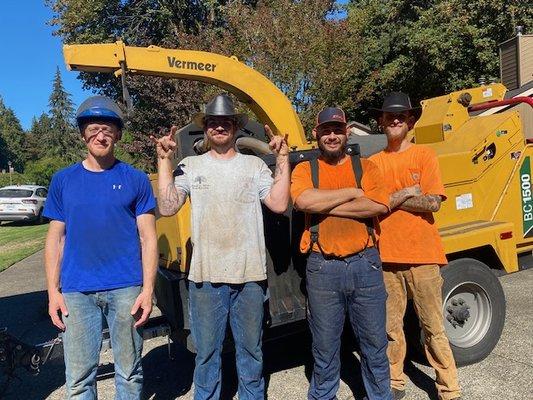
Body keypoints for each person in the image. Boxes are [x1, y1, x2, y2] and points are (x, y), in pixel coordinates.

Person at [151, 93, 290, 400]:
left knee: (251, 353)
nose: (219, 128)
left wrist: (282, 159)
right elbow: (168, 205)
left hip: (249, 279)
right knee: (206, 355)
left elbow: (279, 203)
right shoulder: (191, 165)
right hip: (206, 280)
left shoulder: (254, 166)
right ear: (207, 128)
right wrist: (163, 160)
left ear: (235, 127)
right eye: (213, 123)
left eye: (225, 122)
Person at [43, 96, 158, 399]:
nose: (100, 135)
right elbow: (56, 239)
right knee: (79, 378)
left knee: (129, 372)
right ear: (83, 134)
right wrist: (53, 291)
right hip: (76, 292)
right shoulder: (63, 181)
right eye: (93, 128)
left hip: (126, 289)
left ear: (118, 134)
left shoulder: (135, 179)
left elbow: (148, 237)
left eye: (107, 129)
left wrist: (148, 289)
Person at [291, 107, 392, 400]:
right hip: (323, 268)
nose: (332, 136)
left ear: (347, 132)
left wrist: (326, 204)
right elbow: (303, 200)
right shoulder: (304, 169)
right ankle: (323, 395)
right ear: (316, 135)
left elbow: (379, 205)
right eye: (326, 131)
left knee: (374, 344)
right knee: (324, 346)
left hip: (366, 265)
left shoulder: (368, 167)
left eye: (337, 130)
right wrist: (354, 192)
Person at [369, 92, 462, 400]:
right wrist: (408, 192)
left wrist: (394, 197)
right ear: (381, 121)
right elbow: (374, 206)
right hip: (386, 259)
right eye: (389, 116)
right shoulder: (373, 164)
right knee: (390, 328)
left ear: (409, 122)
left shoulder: (424, 155)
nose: (395, 120)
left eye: (401, 116)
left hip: (423, 256)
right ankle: (395, 383)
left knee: (433, 326)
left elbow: (433, 203)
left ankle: (449, 389)